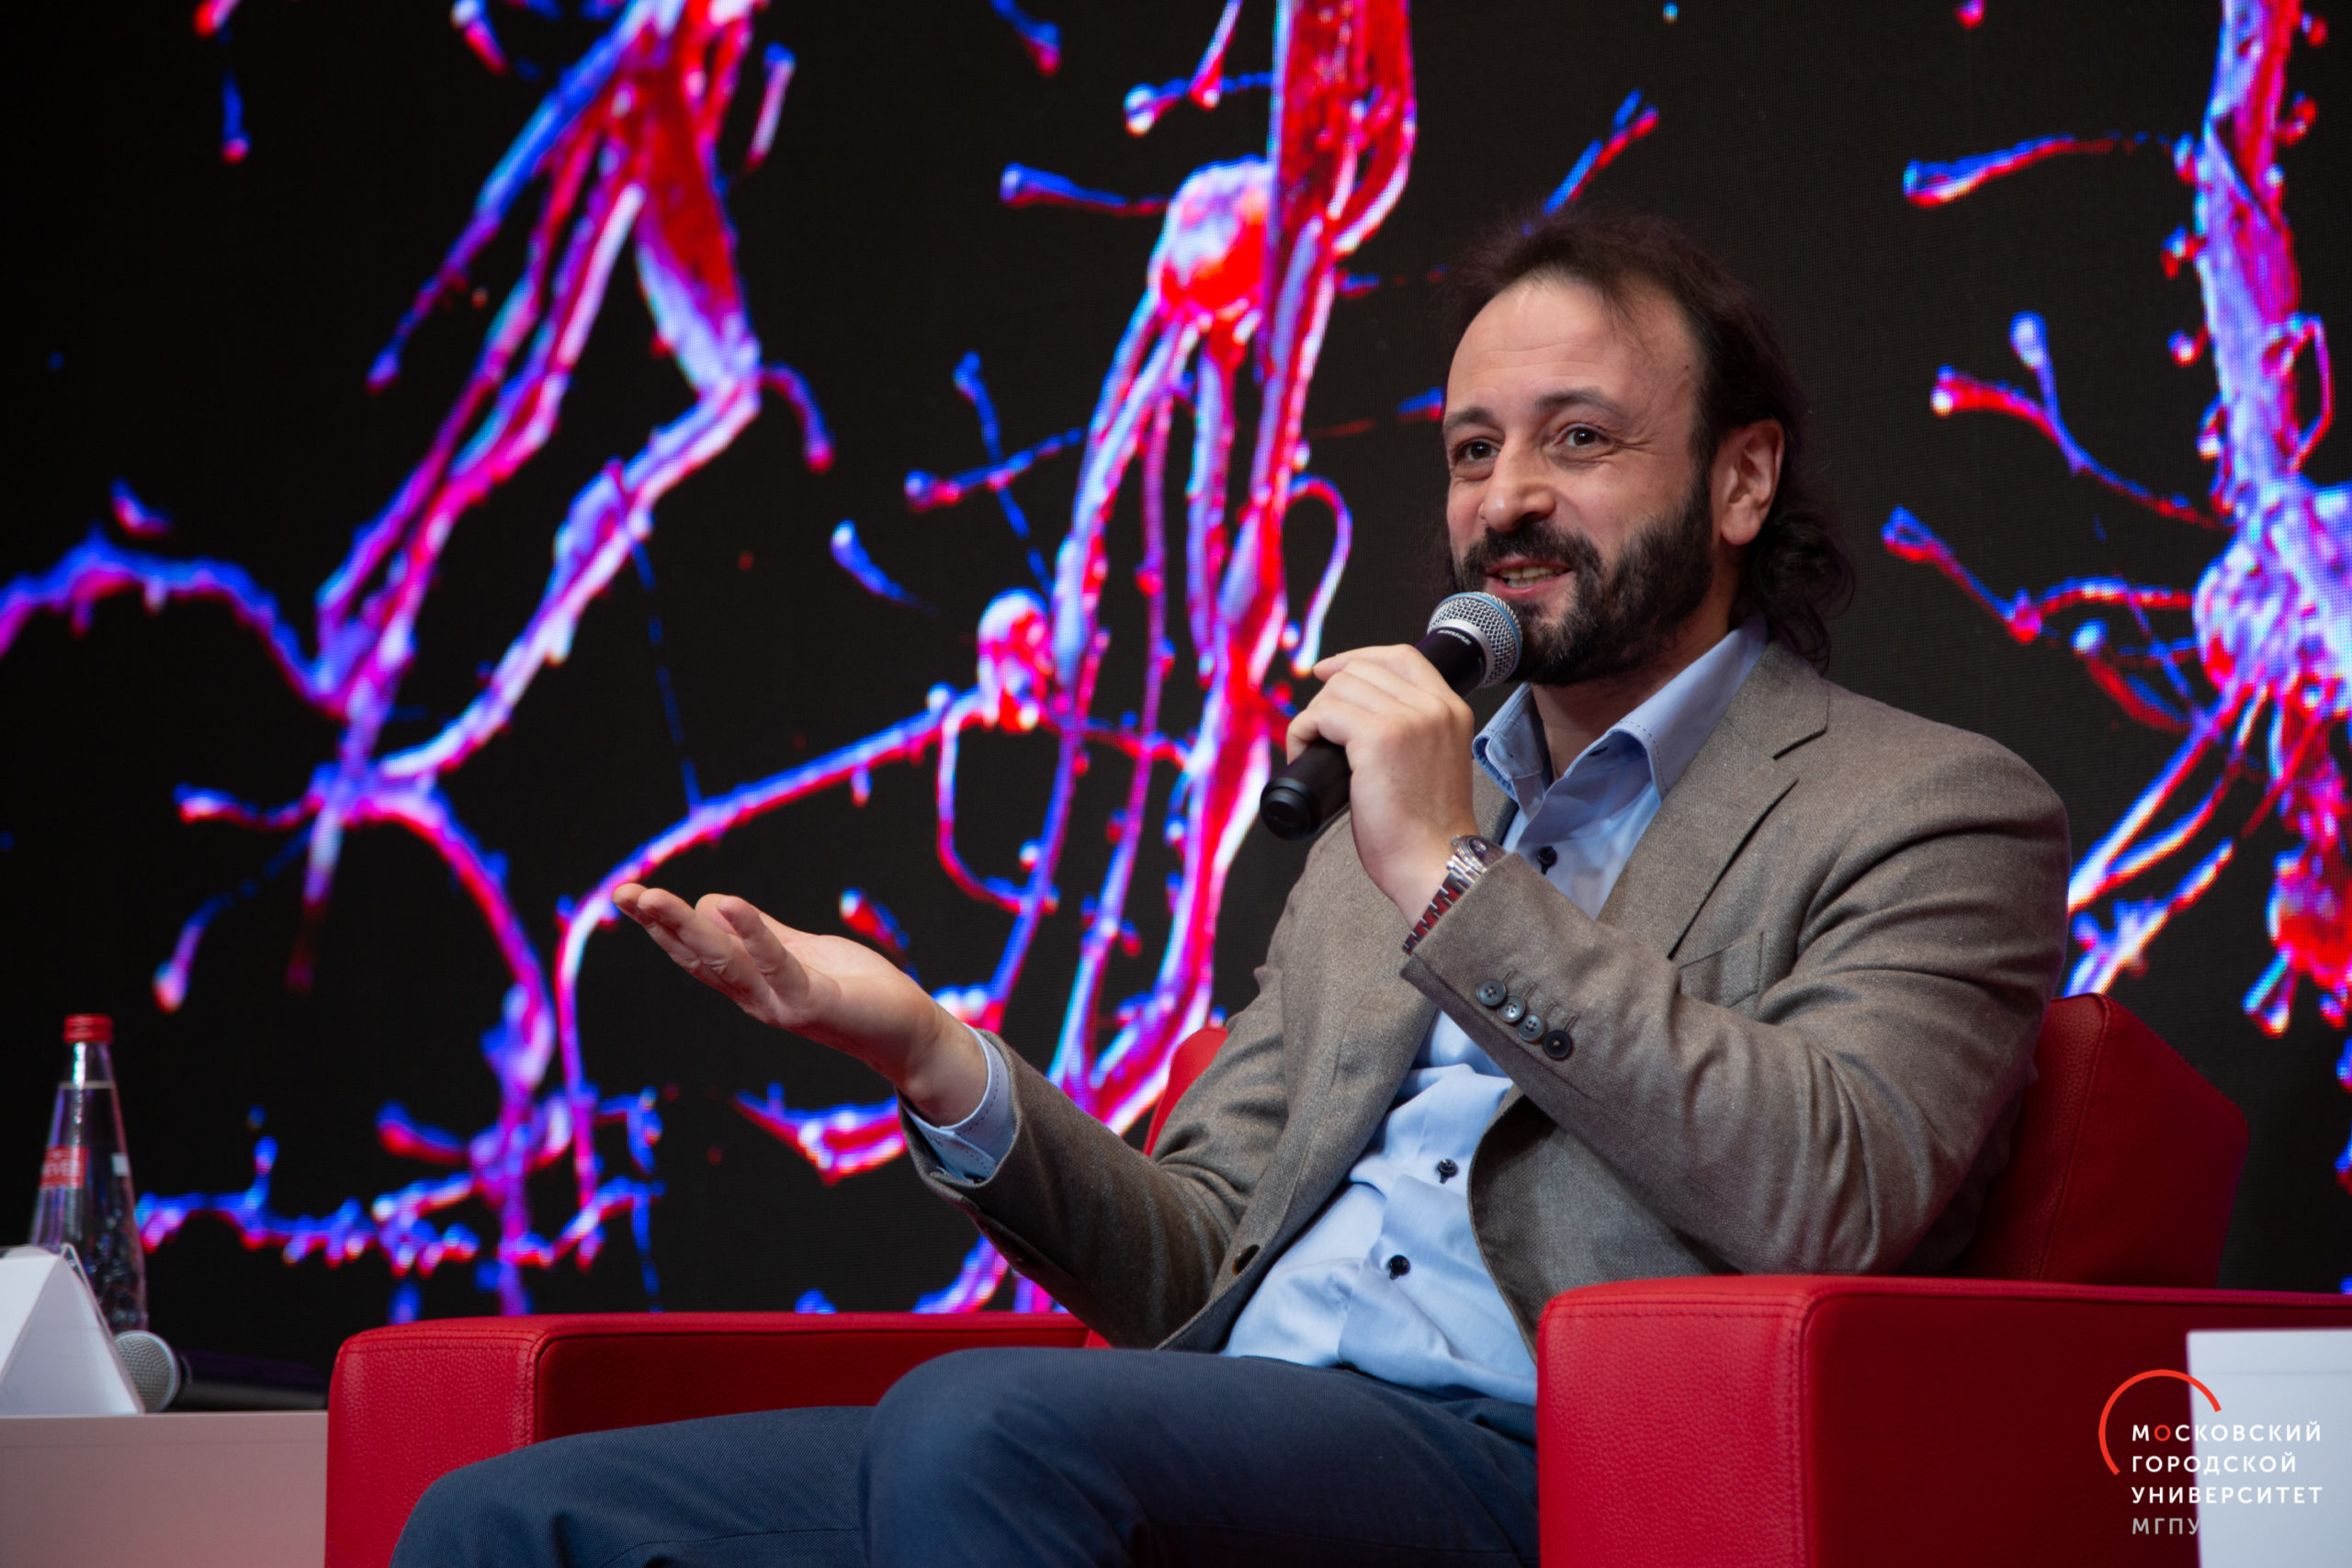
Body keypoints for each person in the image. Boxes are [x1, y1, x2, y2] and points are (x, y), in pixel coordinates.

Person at [390, 209, 2069, 1567]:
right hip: (1242, 1436)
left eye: (1580, 439)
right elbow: (1198, 1256)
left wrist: (1454, 878)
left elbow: (1832, 1195)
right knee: (507, 1525)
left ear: (1742, 480)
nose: (1508, 499)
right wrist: (932, 1058)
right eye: (1472, 449)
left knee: (985, 1430)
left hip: (1538, 1469)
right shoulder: (1404, 806)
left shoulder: (1922, 808)